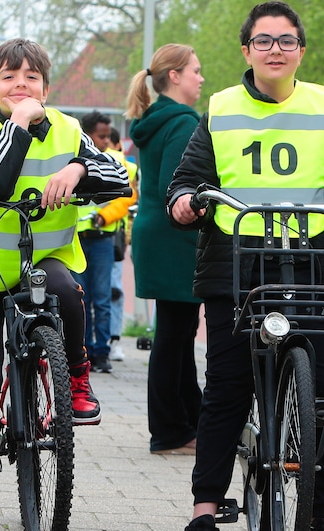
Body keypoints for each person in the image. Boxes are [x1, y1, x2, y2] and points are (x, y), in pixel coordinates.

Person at [167, 1, 324, 531]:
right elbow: (188, 182)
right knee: (227, 390)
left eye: (286, 41)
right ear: (246, 51)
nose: (276, 50)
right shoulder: (219, 110)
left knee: (321, 400)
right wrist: (185, 202)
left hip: (311, 263)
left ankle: (320, 522)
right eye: (264, 41)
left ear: (301, 52)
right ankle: (203, 517)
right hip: (238, 266)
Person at [0, 38, 129, 531]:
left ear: (47, 89)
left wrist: (78, 167)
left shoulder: (71, 131)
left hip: (42, 262)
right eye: (9, 77)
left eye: (31, 78)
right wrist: (19, 125)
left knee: (69, 293)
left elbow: (119, 179)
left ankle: (75, 375)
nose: (20, 85)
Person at [126, 43, 205, 455]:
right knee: (174, 336)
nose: (201, 78)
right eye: (195, 70)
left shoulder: (156, 119)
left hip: (157, 232)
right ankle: (172, 431)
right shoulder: (183, 122)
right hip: (176, 235)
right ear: (174, 76)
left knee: (176, 333)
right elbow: (178, 186)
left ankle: (188, 421)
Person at [73, 111, 121, 373]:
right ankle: (83, 351)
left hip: (103, 239)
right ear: (87, 135)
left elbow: (125, 197)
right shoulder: (72, 163)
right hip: (77, 239)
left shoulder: (112, 162)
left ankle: (102, 352)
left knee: (102, 298)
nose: (106, 141)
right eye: (101, 136)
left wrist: (104, 217)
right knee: (81, 298)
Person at [103, 127, 138, 363]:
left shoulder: (127, 167)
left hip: (115, 239)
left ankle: (113, 340)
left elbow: (129, 197)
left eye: (108, 140)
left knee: (113, 290)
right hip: (95, 234)